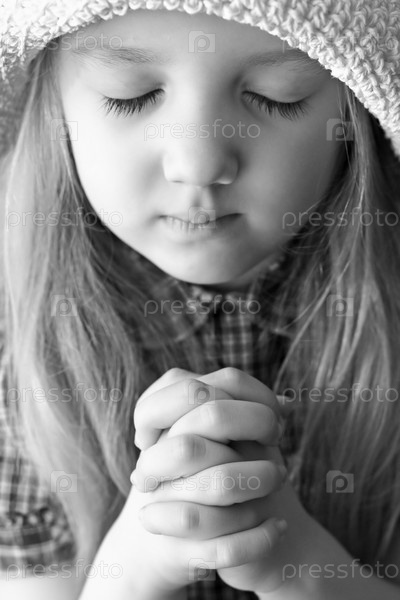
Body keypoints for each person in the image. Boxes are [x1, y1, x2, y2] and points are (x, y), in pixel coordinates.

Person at [1, 1, 400, 599]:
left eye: (276, 97)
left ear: (353, 114)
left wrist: (302, 567)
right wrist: (135, 569)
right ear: (55, 108)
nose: (198, 163)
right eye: (131, 96)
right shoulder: (20, 351)